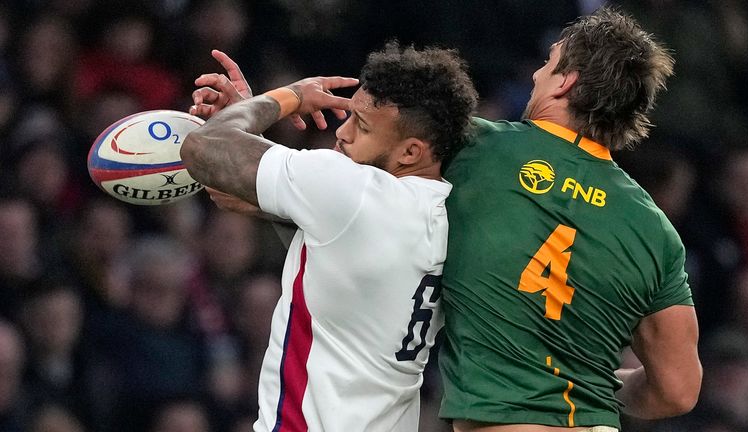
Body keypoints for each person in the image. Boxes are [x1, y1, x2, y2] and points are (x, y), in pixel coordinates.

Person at [180, 42, 477, 431]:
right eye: (350, 115)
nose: (343, 133)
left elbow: (203, 148)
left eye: (363, 127)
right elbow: (322, 253)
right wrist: (242, 126)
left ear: (411, 152)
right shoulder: (445, 212)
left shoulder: (355, 192)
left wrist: (287, 97)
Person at [438, 7, 702, 432]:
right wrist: (592, 385)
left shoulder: (475, 148)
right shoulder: (657, 230)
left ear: (567, 81)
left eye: (548, 63)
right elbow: (678, 390)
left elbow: (371, 150)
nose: (536, 75)